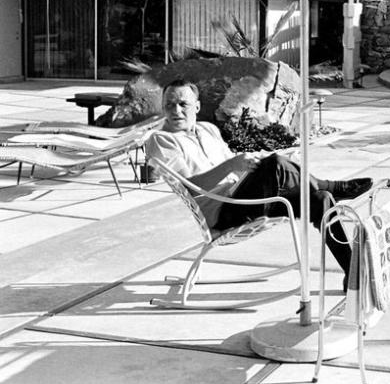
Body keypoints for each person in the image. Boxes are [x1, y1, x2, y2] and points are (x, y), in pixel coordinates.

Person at [145, 79, 371, 284]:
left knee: (319, 198)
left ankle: (353, 276)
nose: (175, 110)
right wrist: (234, 165)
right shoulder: (162, 140)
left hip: (244, 197)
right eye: (169, 104)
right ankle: (330, 185)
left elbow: (238, 168)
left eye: (183, 104)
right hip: (223, 212)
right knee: (277, 165)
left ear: (197, 106)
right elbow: (191, 188)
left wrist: (255, 162)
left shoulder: (208, 129)